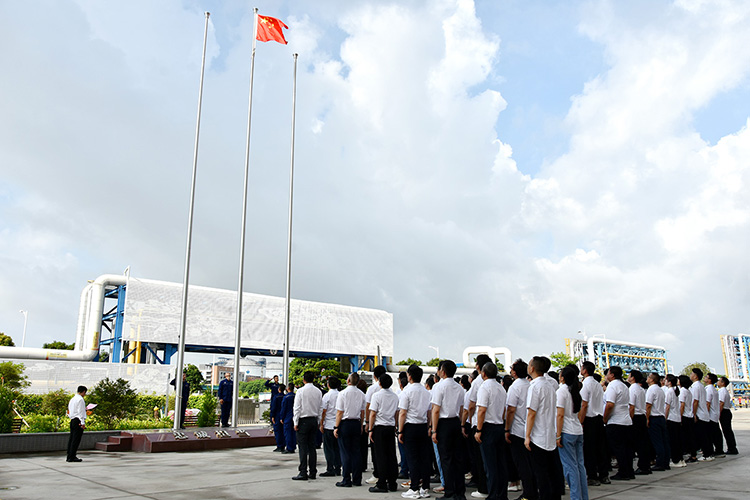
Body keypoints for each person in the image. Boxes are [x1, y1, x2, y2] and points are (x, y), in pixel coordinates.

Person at [525, 356, 561, 500]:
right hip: (549, 434)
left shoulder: (535, 387)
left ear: (532, 368)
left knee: (540, 474)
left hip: (538, 436)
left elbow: (531, 413)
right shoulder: (550, 386)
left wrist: (527, 436)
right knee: (551, 473)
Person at [431, 359, 466, 500]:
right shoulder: (459, 388)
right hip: (455, 422)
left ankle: (449, 492)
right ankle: (460, 492)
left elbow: (436, 410)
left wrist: (434, 430)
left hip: (443, 424)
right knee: (458, 459)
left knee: (446, 459)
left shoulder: (439, 387)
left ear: (443, 372)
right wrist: (461, 425)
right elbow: (462, 409)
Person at [475, 361, 508, 500]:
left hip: (488, 427)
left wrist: (479, 429)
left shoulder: (484, 387)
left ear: (483, 373)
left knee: (490, 465)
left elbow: (482, 410)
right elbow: (504, 409)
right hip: (499, 425)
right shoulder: (501, 388)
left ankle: (493, 494)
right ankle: (502, 494)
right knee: (501, 463)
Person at [398, 364, 432, 499]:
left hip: (410, 427)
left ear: (409, 376)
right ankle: (425, 487)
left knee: (412, 458)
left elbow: (403, 413)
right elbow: (429, 412)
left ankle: (414, 488)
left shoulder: (406, 391)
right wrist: (429, 426)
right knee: (424, 458)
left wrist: (400, 430)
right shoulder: (426, 392)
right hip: (423, 426)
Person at [505, 359, 536, 500]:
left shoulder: (515, 387)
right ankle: (533, 490)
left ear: (514, 372)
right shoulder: (530, 385)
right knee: (531, 463)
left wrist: (507, 429)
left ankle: (528, 493)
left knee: (522, 464)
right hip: (531, 430)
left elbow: (511, 410)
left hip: (517, 430)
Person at [556, 366, 587, 500]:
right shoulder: (575, 391)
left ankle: (576, 497)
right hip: (577, 430)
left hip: (566, 431)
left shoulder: (561, 391)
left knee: (570, 467)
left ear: (563, 378)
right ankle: (583, 496)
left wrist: (558, 435)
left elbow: (560, 415)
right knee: (580, 466)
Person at [368, 373, 400, 493]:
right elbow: (396, 413)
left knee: (380, 456)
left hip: (379, 427)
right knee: (391, 455)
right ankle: (392, 482)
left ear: (380, 383)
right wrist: (395, 426)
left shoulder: (376, 396)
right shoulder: (395, 396)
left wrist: (370, 429)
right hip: (390, 427)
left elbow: (373, 413)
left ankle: (381, 483)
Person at [579, 361, 608, 486]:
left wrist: (580, 421)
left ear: (585, 370)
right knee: (600, 448)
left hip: (589, 418)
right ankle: (604, 474)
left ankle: (592, 476)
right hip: (599, 417)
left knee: (589, 449)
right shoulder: (597, 384)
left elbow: (584, 405)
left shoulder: (585, 385)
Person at [335, 372, 366, 488]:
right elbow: (362, 412)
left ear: (348, 381)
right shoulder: (361, 394)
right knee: (356, 452)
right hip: (356, 423)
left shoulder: (342, 393)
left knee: (345, 452)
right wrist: (361, 425)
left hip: (345, 424)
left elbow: (340, 412)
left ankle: (346, 479)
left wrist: (336, 427)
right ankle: (357, 479)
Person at [466, 354, 492, 497]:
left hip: (480, 424)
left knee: (480, 459)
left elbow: (472, 405)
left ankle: (483, 488)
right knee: (491, 461)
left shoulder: (478, 382)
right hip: (495, 424)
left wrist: (471, 421)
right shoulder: (497, 383)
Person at [603, 366, 634, 481]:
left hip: (616, 421)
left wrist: (605, 418)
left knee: (618, 448)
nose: (606, 375)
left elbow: (610, 404)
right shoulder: (624, 386)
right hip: (626, 420)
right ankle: (629, 471)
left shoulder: (612, 386)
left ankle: (623, 472)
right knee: (627, 448)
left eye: (608, 373)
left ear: (612, 375)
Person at [292, 371, 323, 480]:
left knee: (302, 447)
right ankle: (313, 471)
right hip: (314, 420)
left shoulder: (300, 391)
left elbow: (297, 408)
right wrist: (319, 421)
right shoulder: (318, 391)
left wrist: (295, 422)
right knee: (312, 447)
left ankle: (303, 472)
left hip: (303, 420)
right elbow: (320, 408)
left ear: (303, 380)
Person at [365, 365, 388, 484]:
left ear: (374, 376)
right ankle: (386, 474)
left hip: (376, 424)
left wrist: (367, 423)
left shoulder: (372, 389)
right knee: (387, 452)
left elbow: (368, 407)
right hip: (389, 424)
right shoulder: (391, 391)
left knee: (376, 452)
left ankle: (377, 474)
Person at [628, 370, 651, 475]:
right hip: (642, 415)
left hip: (636, 417)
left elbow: (631, 406)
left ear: (633, 377)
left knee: (637, 443)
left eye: (629, 375)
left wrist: (630, 419)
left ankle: (642, 466)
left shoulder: (632, 389)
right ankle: (646, 465)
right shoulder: (641, 389)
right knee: (643, 442)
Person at [645, 373, 670, 471]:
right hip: (661, 416)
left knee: (657, 441)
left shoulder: (651, 389)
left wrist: (647, 418)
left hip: (654, 417)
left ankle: (660, 463)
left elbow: (648, 405)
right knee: (664, 441)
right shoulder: (660, 389)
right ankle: (666, 462)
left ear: (652, 380)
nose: (647, 378)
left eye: (648, 377)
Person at [689, 368, 713, 461]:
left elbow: (695, 401)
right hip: (704, 413)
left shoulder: (696, 387)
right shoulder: (701, 386)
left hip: (700, 414)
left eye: (692, 374)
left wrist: (694, 414)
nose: (690, 375)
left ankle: (707, 455)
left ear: (695, 376)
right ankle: (708, 453)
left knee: (702, 436)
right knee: (705, 436)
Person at [320, 377, 342, 476]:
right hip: (338, 424)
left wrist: (321, 424)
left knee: (328, 448)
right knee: (337, 448)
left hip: (328, 425)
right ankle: (338, 468)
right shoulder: (341, 395)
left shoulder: (327, 396)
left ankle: (330, 468)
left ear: (328, 385)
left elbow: (323, 411)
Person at [663, 374, 686, 467]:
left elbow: (667, 407)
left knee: (673, 441)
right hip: (677, 418)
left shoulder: (669, 391)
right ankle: (680, 459)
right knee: (678, 440)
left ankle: (676, 460)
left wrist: (665, 418)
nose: (664, 381)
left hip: (671, 418)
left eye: (665, 379)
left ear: (669, 382)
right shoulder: (675, 391)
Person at [704, 373, 725, 457]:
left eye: (706, 377)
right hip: (714, 414)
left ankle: (717, 451)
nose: (704, 378)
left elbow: (707, 403)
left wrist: (706, 414)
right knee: (716, 433)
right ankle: (719, 450)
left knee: (712, 434)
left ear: (709, 380)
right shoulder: (713, 389)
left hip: (711, 415)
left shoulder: (709, 389)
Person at [677, 375, 697, 462]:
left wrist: (680, 416)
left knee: (685, 437)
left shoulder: (682, 391)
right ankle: (693, 454)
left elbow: (682, 405)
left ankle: (691, 455)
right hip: (690, 416)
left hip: (685, 416)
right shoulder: (688, 391)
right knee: (691, 436)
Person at [717, 377, 738, 455]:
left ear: (723, 383)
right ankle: (732, 447)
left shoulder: (722, 391)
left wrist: (719, 413)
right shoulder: (723, 390)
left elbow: (721, 403)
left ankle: (732, 448)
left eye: (719, 381)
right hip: (726, 411)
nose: (718, 382)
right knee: (727, 431)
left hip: (724, 412)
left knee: (727, 431)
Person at [66, 385, 87, 463]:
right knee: (76, 439)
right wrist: (82, 422)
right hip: (78, 420)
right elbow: (80, 412)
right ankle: (72, 456)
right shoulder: (80, 400)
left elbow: (70, 410)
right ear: (83, 392)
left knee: (72, 439)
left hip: (72, 420)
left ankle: (69, 455)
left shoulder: (72, 399)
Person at [280, 383, 297, 454]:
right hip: (295, 416)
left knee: (288, 433)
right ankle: (293, 446)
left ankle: (289, 448)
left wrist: (281, 417)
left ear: (288, 388)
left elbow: (283, 408)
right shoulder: (296, 396)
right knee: (293, 433)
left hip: (287, 417)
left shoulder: (286, 397)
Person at [271, 385, 286, 452]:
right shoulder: (285, 397)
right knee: (283, 431)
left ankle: (279, 446)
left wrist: (272, 416)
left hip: (277, 415)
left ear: (279, 389)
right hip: (284, 416)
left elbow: (273, 407)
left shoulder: (276, 397)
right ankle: (283, 445)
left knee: (278, 431)